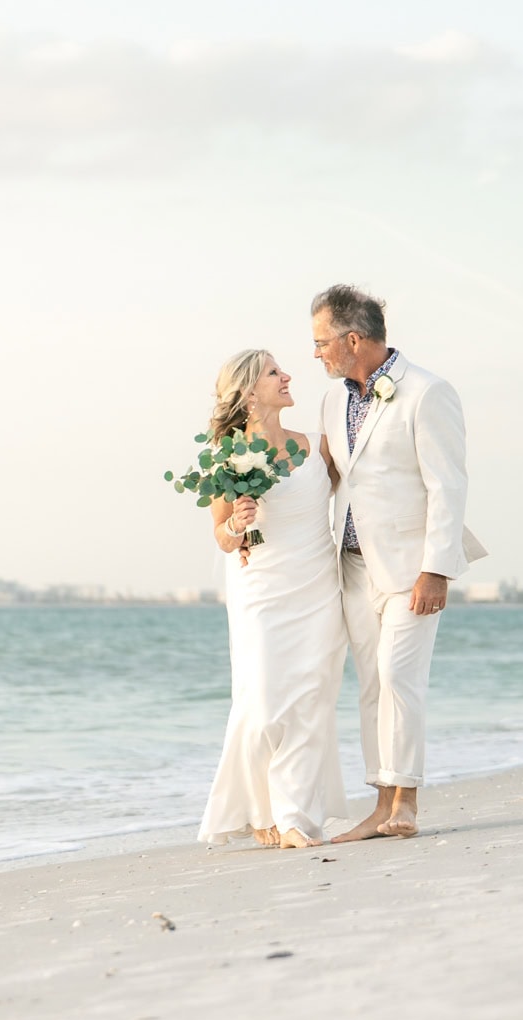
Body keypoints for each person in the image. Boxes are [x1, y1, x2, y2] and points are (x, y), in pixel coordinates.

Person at [309, 285, 484, 841]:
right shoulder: (334, 400)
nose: (316, 354)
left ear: (352, 339)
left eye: (321, 343)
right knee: (369, 685)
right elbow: (333, 475)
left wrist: (438, 569)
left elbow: (448, 485)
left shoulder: (428, 392)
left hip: (413, 568)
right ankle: (380, 804)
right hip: (354, 566)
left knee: (399, 676)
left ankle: (406, 802)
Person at [196, 349, 348, 849]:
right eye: (273, 373)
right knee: (261, 704)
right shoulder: (226, 456)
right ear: (247, 392)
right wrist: (236, 526)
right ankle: (257, 809)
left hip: (319, 587)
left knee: (310, 701)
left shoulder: (320, 448)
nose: (287, 377)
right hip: (260, 588)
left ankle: (294, 819)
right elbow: (221, 534)